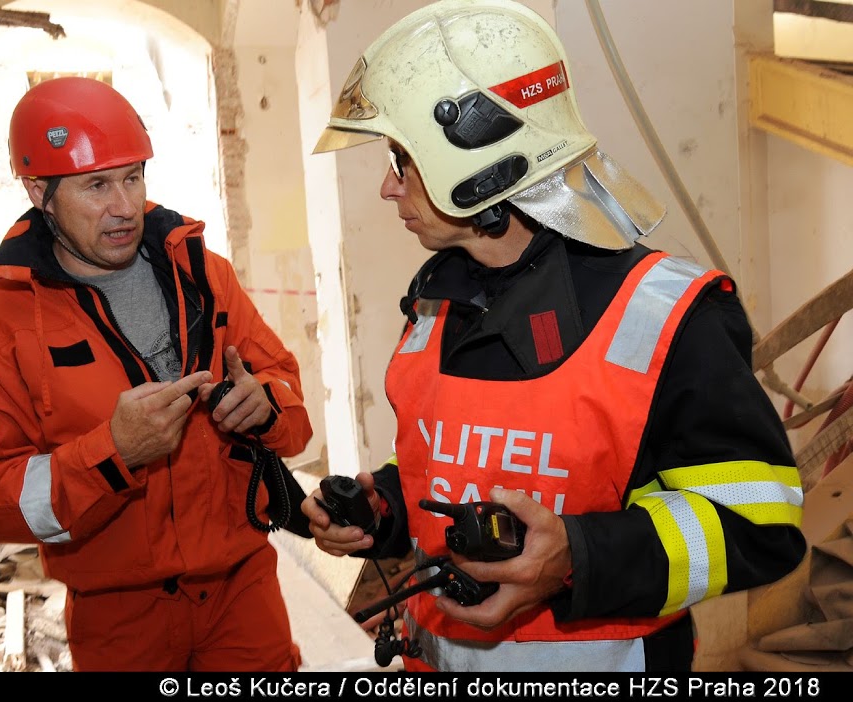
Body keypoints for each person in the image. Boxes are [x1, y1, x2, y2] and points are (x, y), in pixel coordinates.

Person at [304, 0, 806, 672]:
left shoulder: (668, 317)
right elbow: (461, 465)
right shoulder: (434, 305)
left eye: (402, 160)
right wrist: (383, 508)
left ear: (478, 165)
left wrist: (578, 556)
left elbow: (759, 524)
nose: (387, 189)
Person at [0, 76, 313, 672]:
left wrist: (266, 404)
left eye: (133, 177)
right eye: (96, 186)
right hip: (119, 618)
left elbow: (290, 401)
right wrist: (112, 453)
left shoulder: (204, 274)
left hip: (241, 594)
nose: (124, 206)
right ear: (39, 192)